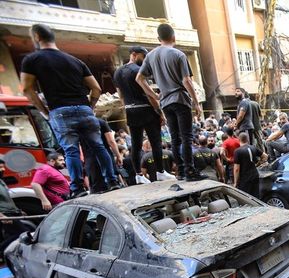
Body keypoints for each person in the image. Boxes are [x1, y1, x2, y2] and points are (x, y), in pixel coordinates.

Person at [20, 23, 119, 198]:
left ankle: (78, 188)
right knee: (98, 146)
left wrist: (44, 112)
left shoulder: (32, 60)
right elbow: (96, 89)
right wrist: (90, 107)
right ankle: (112, 181)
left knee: (71, 151)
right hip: (84, 109)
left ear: (36, 37)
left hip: (60, 110)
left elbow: (27, 89)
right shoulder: (75, 61)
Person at [136, 23, 205, 182]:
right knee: (186, 137)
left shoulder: (150, 56)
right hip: (180, 99)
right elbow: (186, 80)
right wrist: (196, 102)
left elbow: (139, 79)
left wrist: (155, 95)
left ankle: (180, 171)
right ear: (174, 37)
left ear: (158, 38)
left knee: (175, 138)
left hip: (165, 102)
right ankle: (190, 170)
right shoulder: (178, 54)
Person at [113, 46, 174, 185]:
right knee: (156, 142)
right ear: (134, 55)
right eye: (143, 56)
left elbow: (121, 96)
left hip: (130, 110)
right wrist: (159, 111)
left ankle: (139, 175)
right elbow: (148, 93)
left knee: (135, 144)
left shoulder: (117, 72)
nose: (145, 59)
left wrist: (128, 108)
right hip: (146, 109)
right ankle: (160, 172)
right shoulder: (137, 70)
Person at [0, 160, 30, 256]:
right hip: (4, 214)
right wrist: (2, 216)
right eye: (0, 167)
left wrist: (18, 210)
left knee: (9, 235)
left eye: (3, 167)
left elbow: (7, 198)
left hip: (10, 213)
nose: (3, 169)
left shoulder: (1, 181)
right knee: (22, 233)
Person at [234, 133, 267, 198]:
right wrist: (258, 163)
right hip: (255, 174)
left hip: (245, 178)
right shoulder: (253, 147)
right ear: (247, 139)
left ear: (239, 139)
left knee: (245, 198)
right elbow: (265, 156)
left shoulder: (237, 151)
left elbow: (236, 169)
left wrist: (235, 182)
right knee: (255, 196)